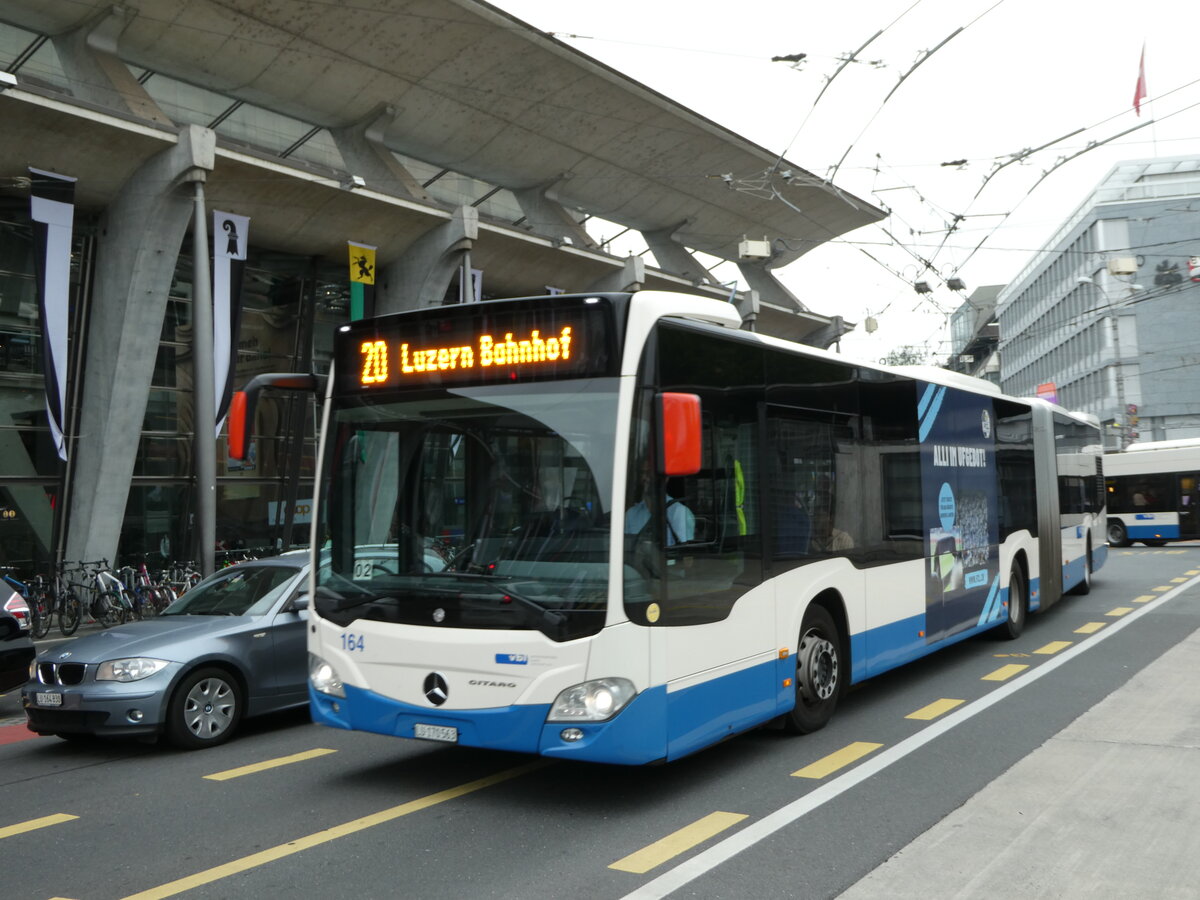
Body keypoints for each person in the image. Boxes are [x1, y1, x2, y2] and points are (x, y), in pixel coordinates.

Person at [625, 466, 694, 546]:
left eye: (649, 473)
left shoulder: (680, 512)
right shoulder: (631, 514)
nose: (645, 478)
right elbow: (627, 549)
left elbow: (684, 553)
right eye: (642, 473)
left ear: (665, 478)